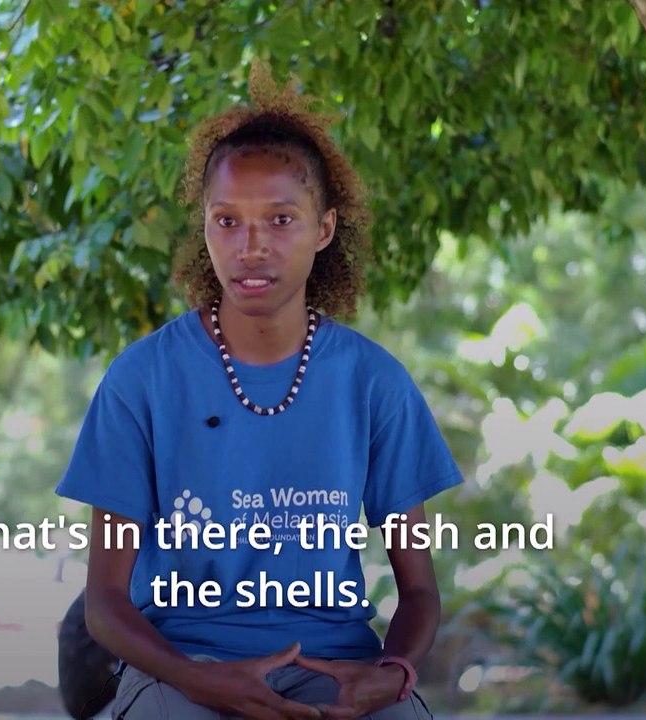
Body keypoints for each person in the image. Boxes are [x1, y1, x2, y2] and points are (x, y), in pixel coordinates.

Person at [56, 64, 464, 720]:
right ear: (205, 228)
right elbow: (105, 603)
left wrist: (390, 676)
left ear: (324, 228)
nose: (251, 247)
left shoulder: (373, 382)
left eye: (280, 219)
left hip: (338, 669)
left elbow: (418, 591)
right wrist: (200, 680)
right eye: (227, 221)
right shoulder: (142, 380)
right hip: (179, 671)